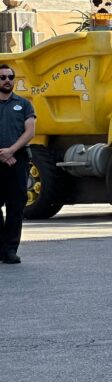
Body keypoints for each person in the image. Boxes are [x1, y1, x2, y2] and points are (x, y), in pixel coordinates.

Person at [0, 63, 35, 263]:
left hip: (16, 161)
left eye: (10, 77)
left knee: (15, 206)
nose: (7, 81)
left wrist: (11, 151)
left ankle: (10, 250)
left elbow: (30, 131)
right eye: (3, 77)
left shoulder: (23, 104)